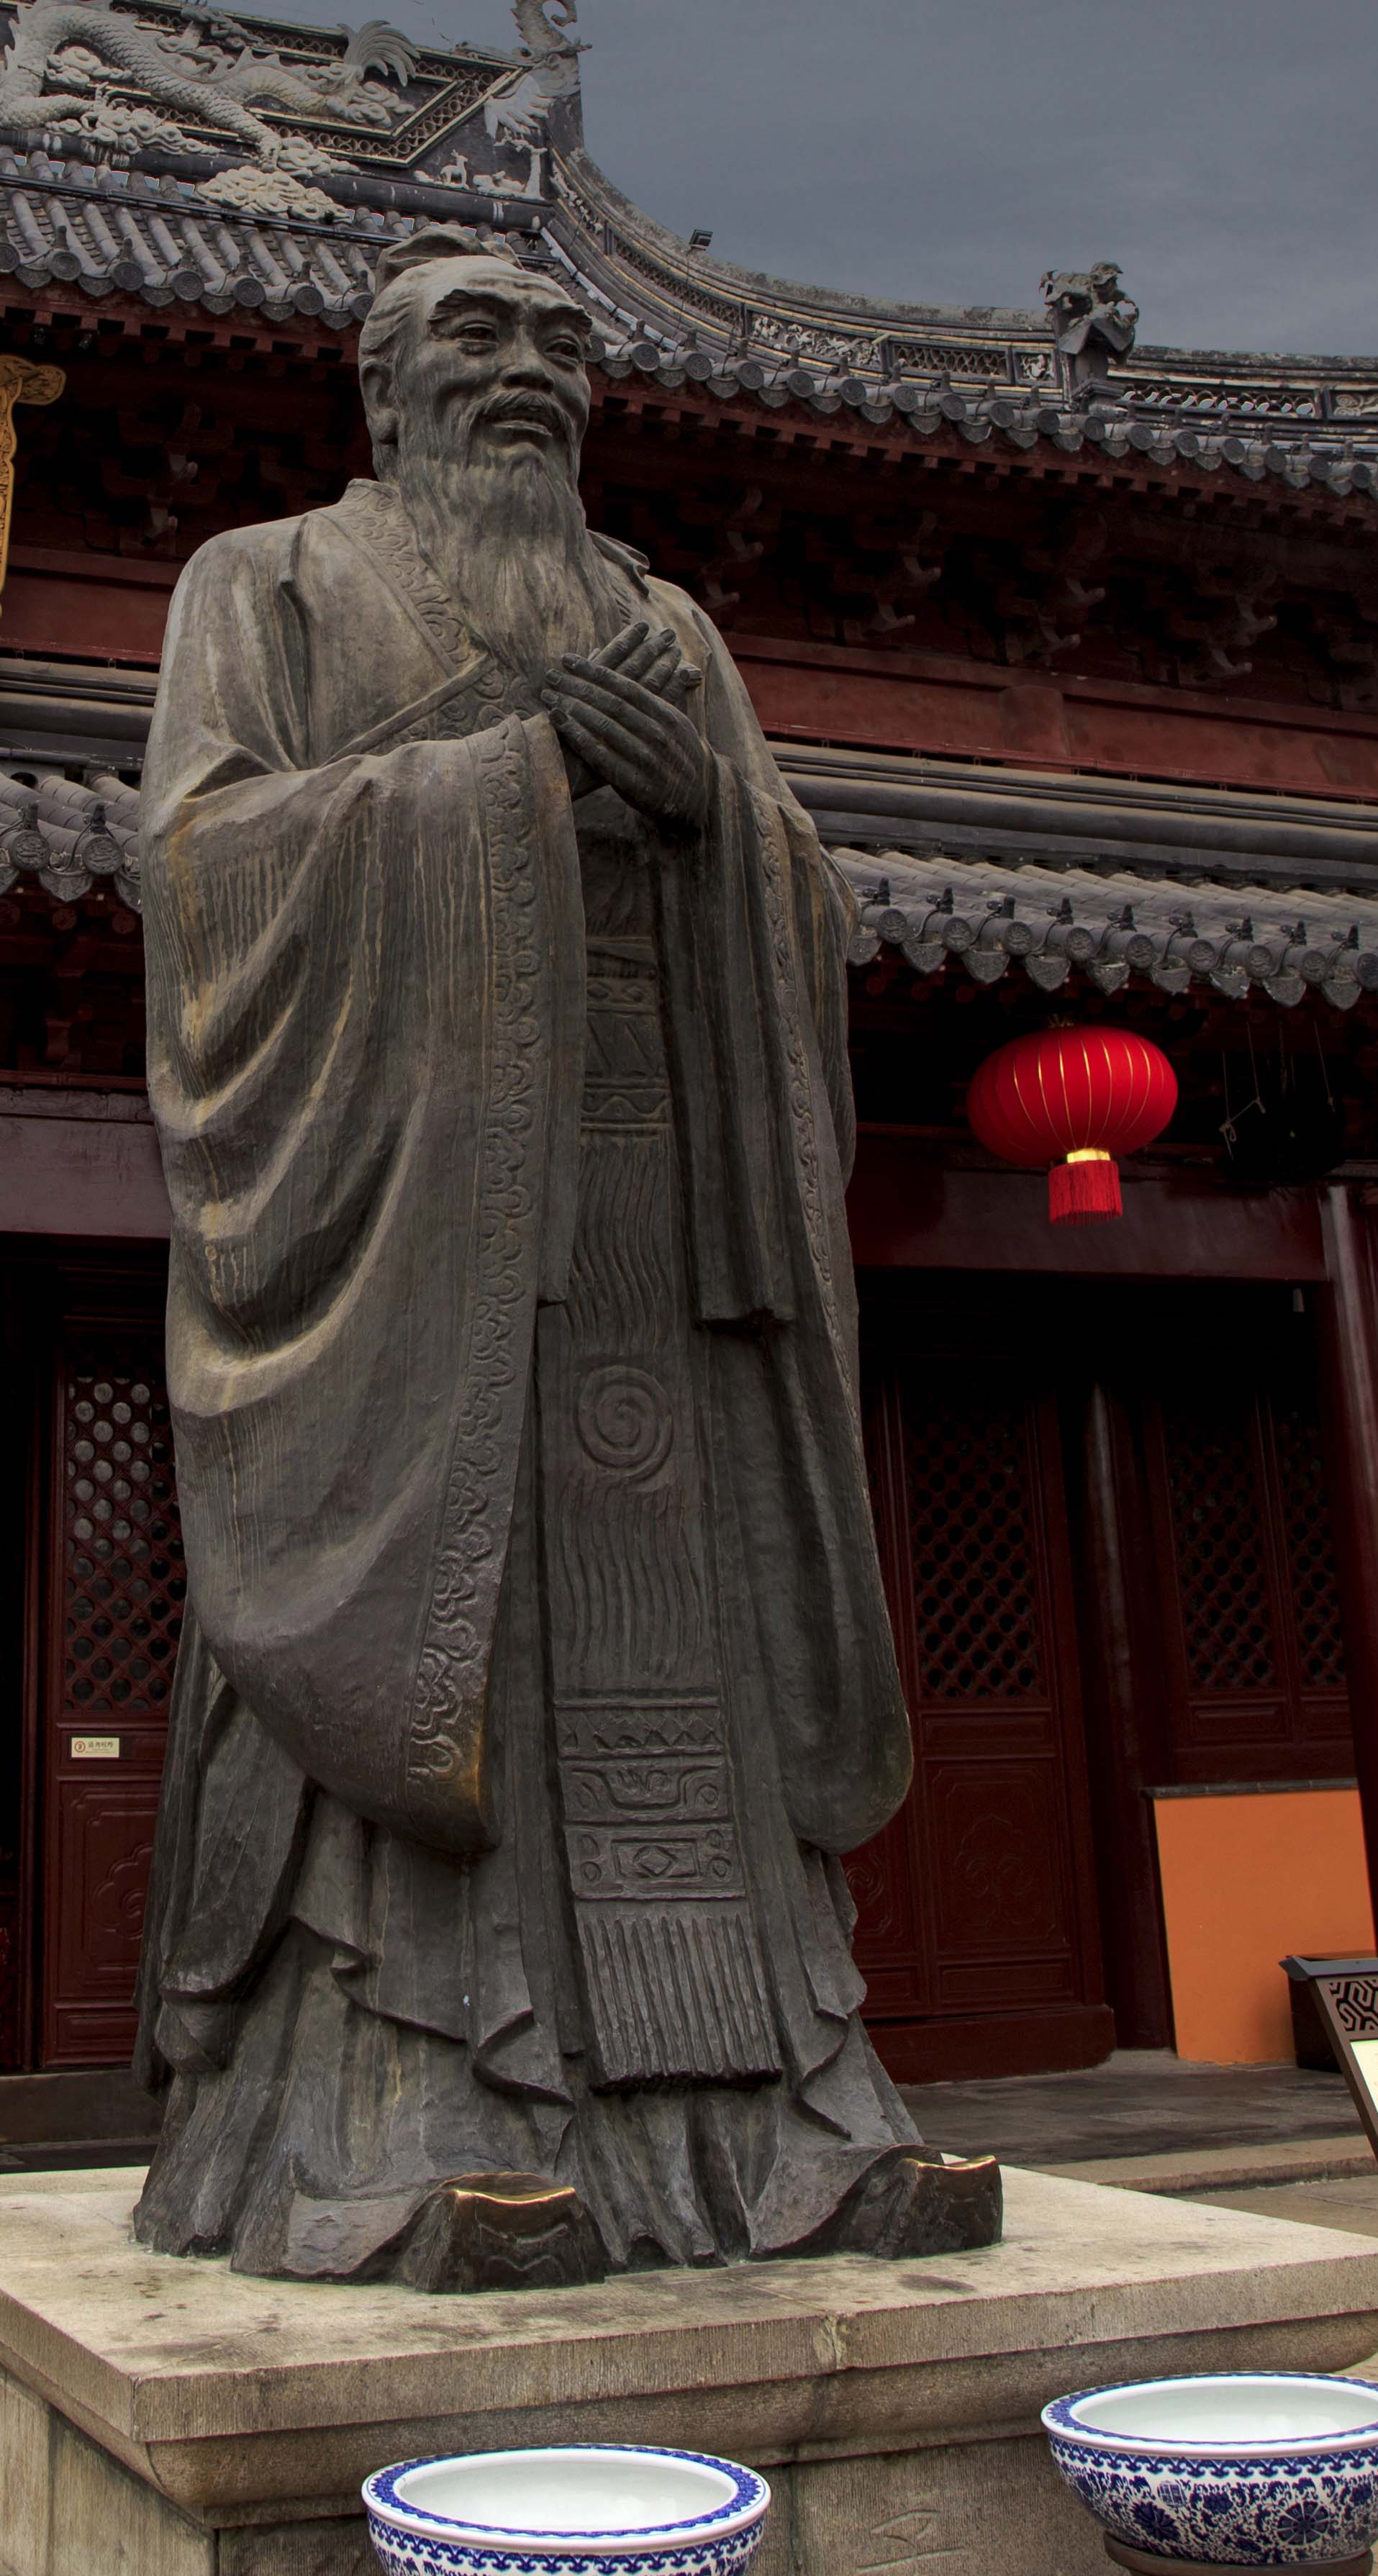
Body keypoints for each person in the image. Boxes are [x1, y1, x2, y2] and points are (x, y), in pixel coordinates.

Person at [130, 227, 989, 2279]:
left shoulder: (664, 618)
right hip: (420, 1231)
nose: (528, 369)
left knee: (686, 1652)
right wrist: (508, 781)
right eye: (475, 334)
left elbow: (800, 895)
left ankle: (781, 2127)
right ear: (384, 386)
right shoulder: (266, 584)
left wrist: (717, 831)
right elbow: (199, 868)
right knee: (459, 1661)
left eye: (562, 341)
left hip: (652, 1225)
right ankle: (412, 2130)